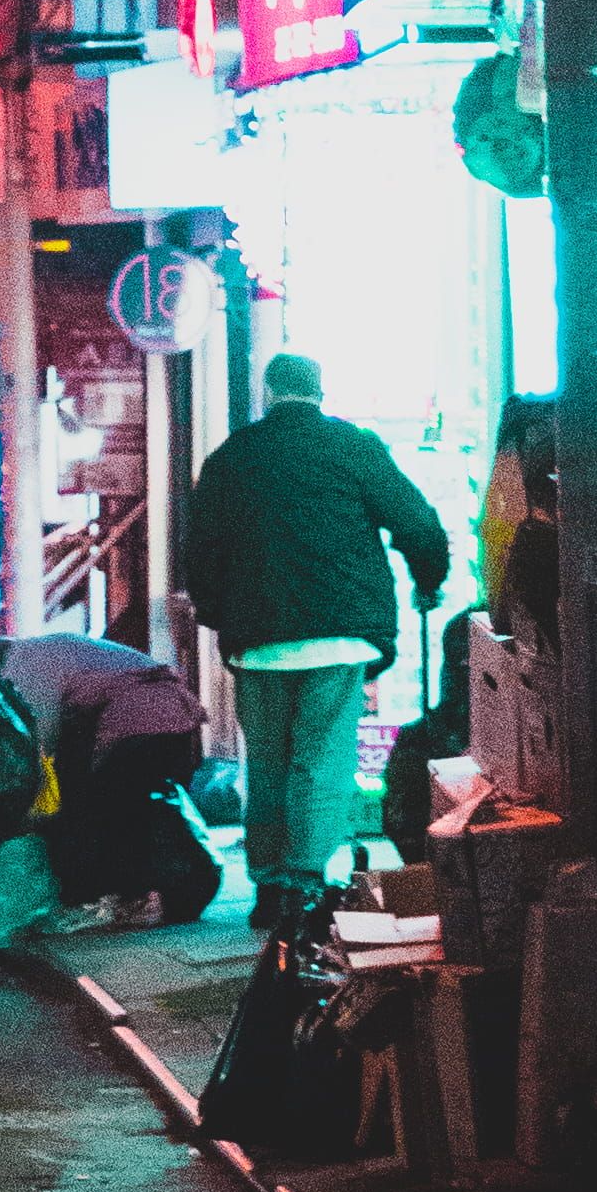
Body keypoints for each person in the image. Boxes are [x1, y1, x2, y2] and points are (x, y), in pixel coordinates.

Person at [180, 348, 449, 928]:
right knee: (321, 759)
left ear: (268, 393)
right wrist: (429, 583)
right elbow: (419, 526)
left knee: (270, 763)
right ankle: (303, 881)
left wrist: (219, 614)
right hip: (340, 637)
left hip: (258, 641)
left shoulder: (233, 458)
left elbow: (199, 553)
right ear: (319, 392)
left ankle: (270, 885)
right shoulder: (353, 447)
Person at [0, 621, 219, 921]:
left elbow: (38, 745)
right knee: (136, 811)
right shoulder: (46, 648)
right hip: (176, 722)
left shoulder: (20, 668)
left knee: (96, 813)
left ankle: (131, 895)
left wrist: (31, 813)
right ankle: (170, 891)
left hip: (135, 725)